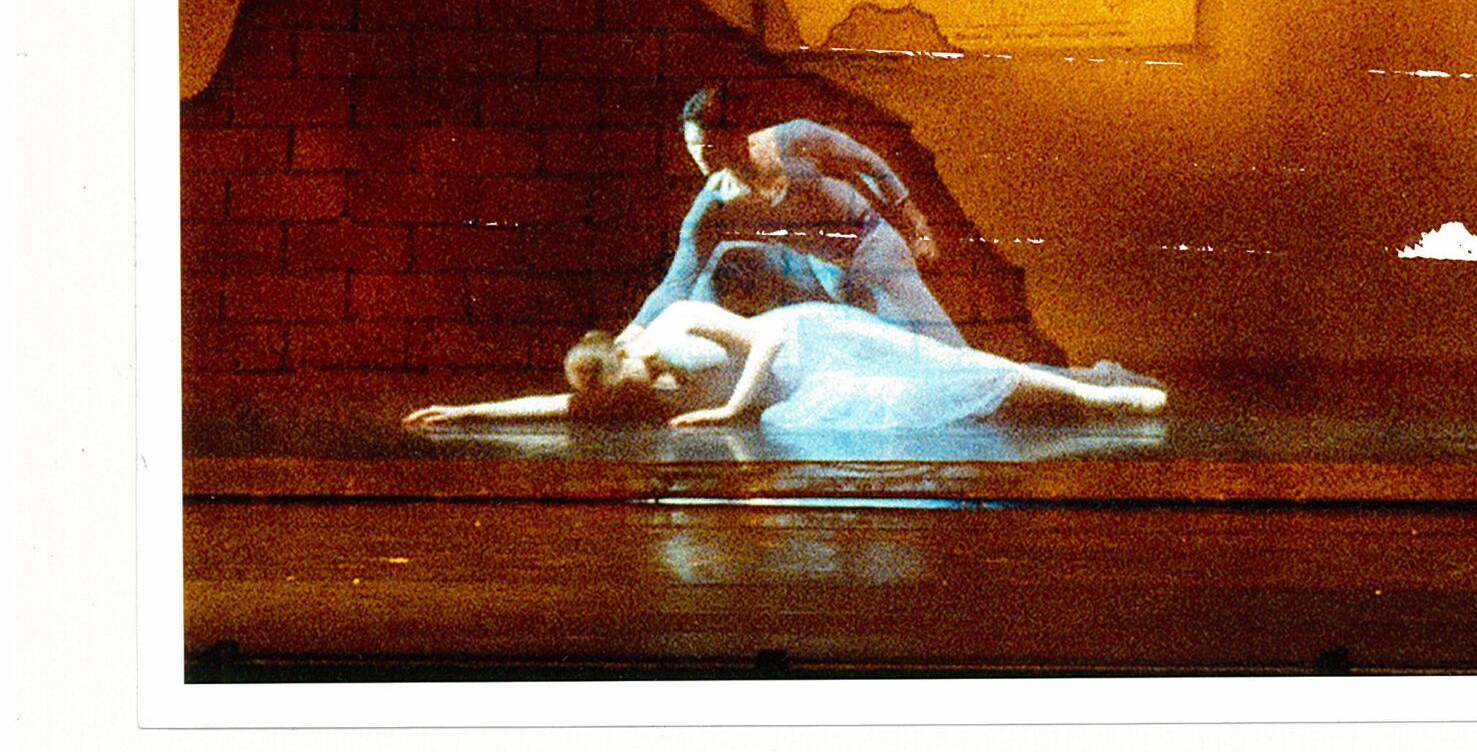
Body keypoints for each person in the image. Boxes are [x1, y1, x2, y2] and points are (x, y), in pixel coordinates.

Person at [402, 299, 1167, 431]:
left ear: (626, 353)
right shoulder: (615, 385)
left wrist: (729, 410)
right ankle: (1065, 401)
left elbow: (762, 343)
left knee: (949, 364)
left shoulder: (677, 322)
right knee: (928, 399)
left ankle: (1101, 400)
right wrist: (465, 411)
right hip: (804, 392)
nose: (652, 387)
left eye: (639, 375)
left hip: (810, 343)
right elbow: (557, 406)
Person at [620, 85, 958, 350]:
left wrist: (919, 229)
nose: (698, 154)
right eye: (691, 145)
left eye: (707, 144)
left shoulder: (796, 138)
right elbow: (677, 281)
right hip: (832, 272)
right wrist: (632, 333)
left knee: (941, 343)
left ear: (734, 135)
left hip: (875, 248)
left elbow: (871, 165)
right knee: (893, 355)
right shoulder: (713, 205)